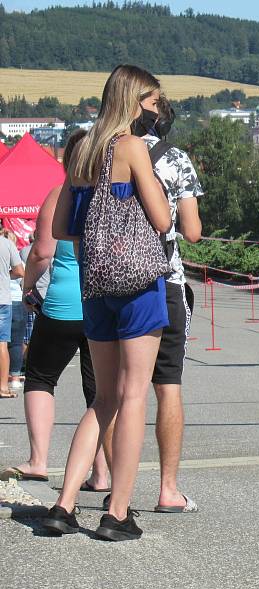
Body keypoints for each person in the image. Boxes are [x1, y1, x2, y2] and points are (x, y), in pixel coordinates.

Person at [43, 64, 172, 541]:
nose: (157, 113)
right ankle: (117, 511)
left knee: (102, 400)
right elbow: (160, 220)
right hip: (138, 283)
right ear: (135, 101)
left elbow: (61, 229)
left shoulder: (80, 150)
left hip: (95, 285)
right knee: (135, 395)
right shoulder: (132, 147)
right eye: (154, 104)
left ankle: (64, 502)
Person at [103, 93, 203, 513]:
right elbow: (193, 231)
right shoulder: (176, 159)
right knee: (168, 386)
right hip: (164, 278)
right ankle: (168, 489)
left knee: (116, 392)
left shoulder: (104, 150)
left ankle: (115, 484)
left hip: (111, 277)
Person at [0, 130, 110, 490]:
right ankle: (102, 472)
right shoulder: (112, 196)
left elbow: (41, 253)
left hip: (63, 304)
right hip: (102, 305)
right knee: (100, 393)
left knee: (40, 378)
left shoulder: (59, 195)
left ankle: (38, 460)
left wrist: (28, 286)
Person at [0, 229, 24, 399]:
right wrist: (5, 276)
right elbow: (20, 271)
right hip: (3, 298)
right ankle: (2, 387)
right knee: (2, 344)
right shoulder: (7, 243)